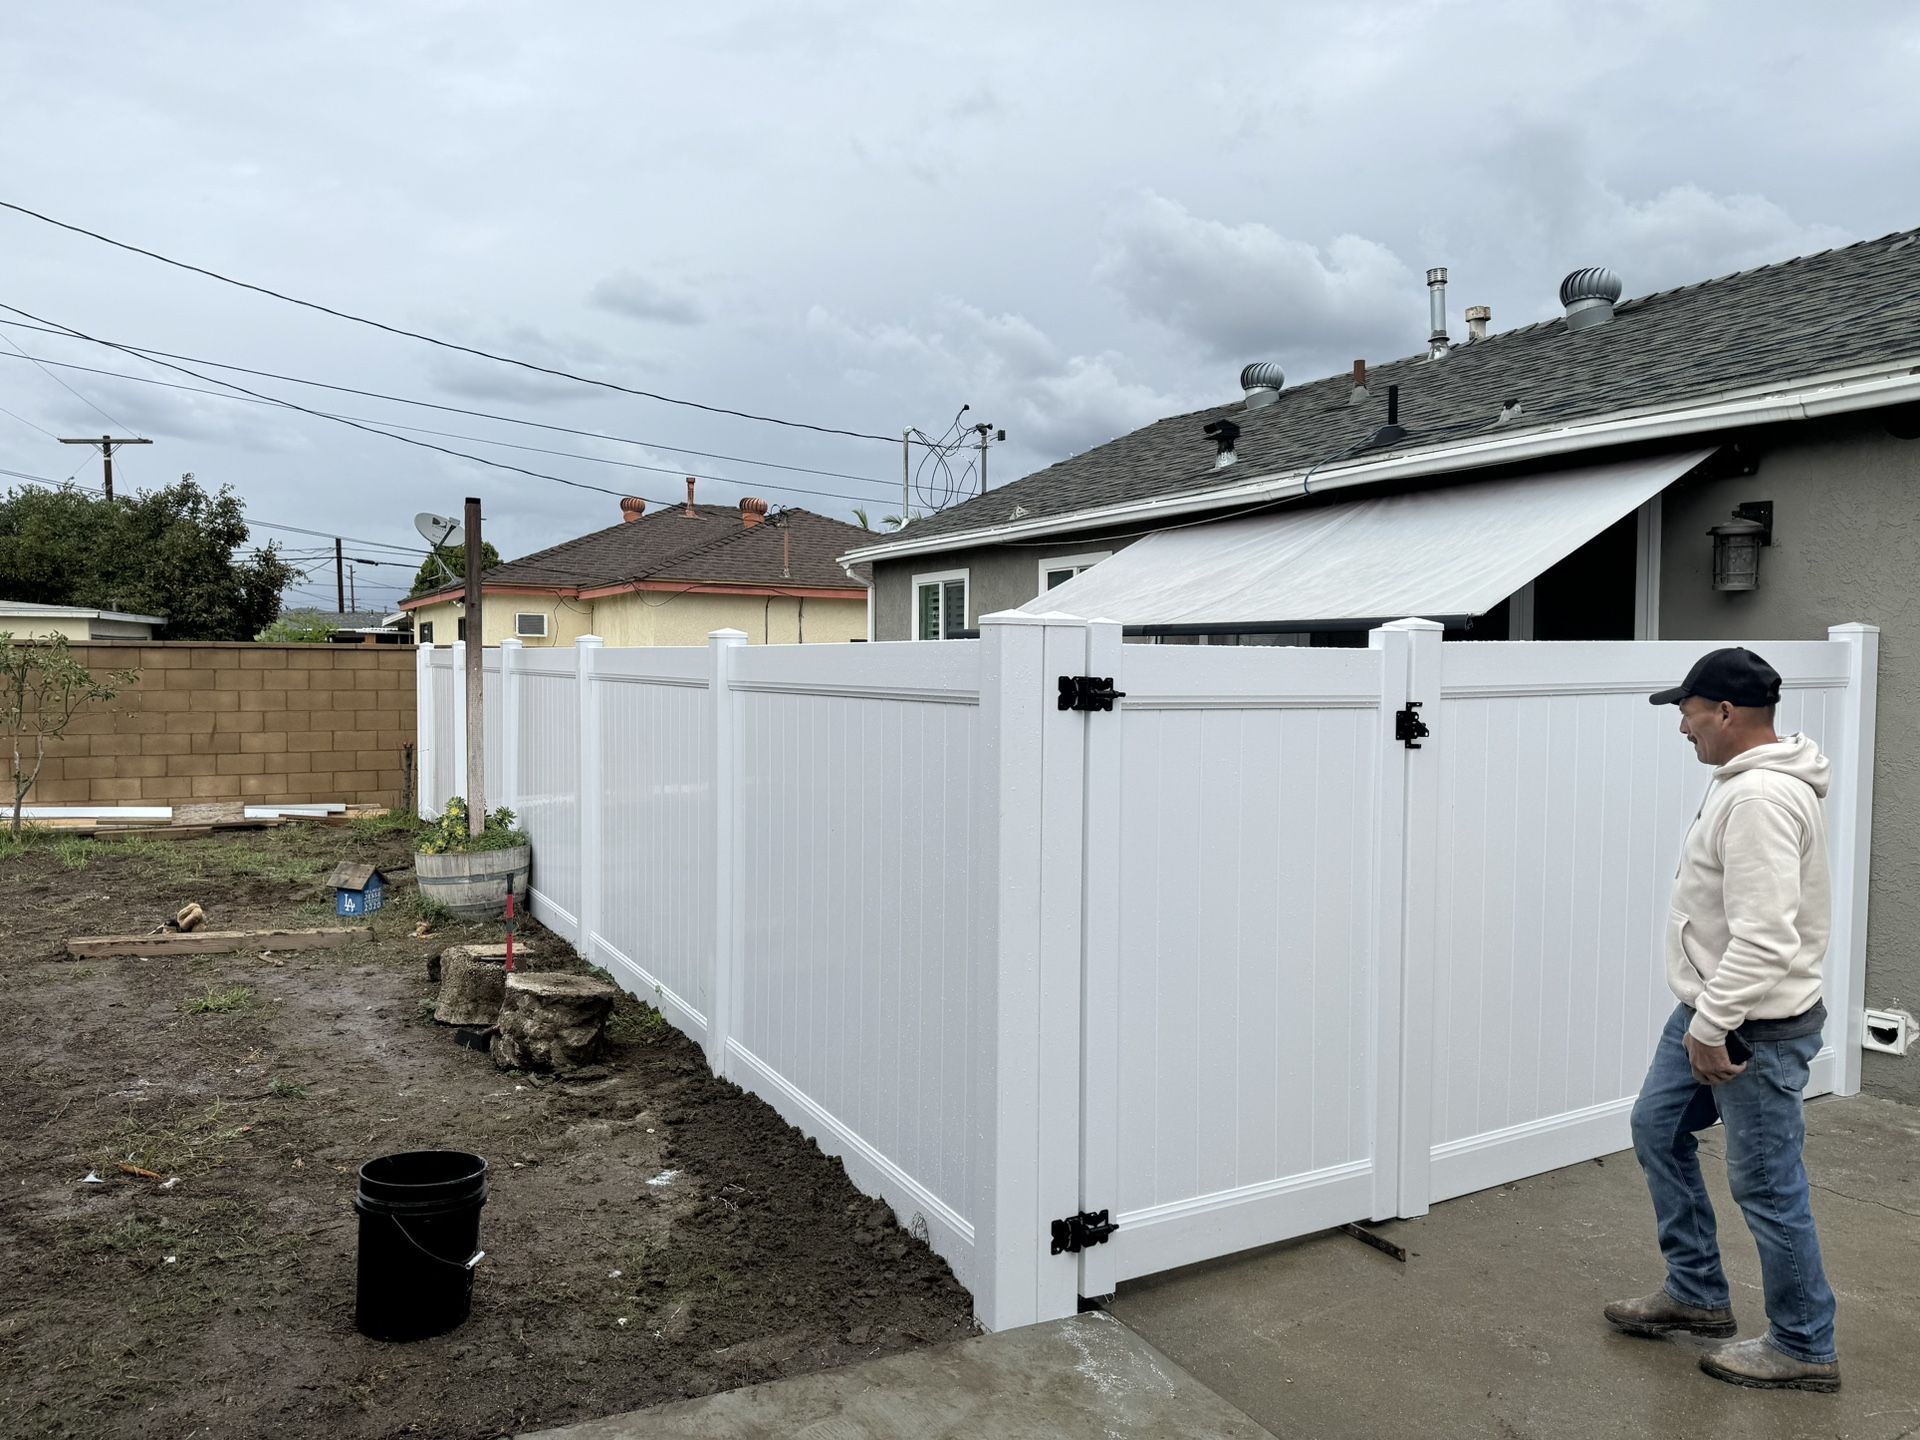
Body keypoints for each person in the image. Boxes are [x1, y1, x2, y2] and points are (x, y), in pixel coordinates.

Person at [1604, 647, 1839, 1390]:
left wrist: (1713, 1027)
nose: (1683, 726)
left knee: (1768, 1185)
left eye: (1689, 711)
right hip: (1712, 1008)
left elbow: (1768, 934)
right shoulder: (1741, 786)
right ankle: (1697, 1294)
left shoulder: (1760, 800)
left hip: (1749, 1026)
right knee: (1657, 1127)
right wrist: (1701, 1015)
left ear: (1726, 712)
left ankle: (1804, 1345)